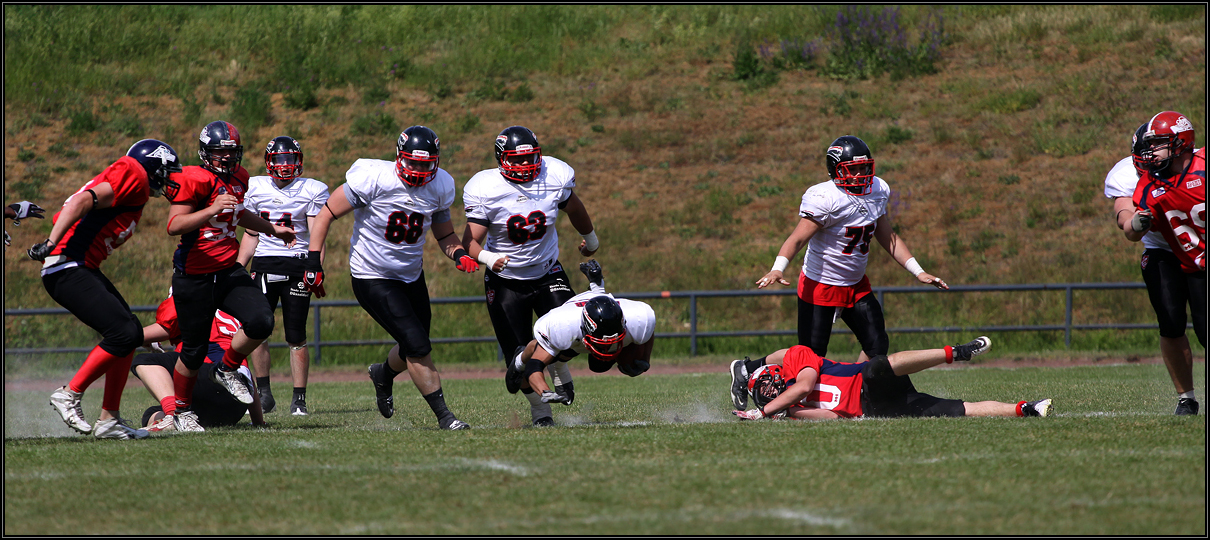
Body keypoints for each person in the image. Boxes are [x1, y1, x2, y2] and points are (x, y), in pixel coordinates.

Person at [744, 135, 947, 410]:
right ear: (835, 170)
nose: (861, 174)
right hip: (820, 286)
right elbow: (796, 239)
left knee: (877, 345)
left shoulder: (877, 189)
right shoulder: (825, 197)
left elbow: (887, 235)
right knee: (810, 359)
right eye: (853, 168)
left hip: (855, 285)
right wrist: (777, 268)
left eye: (865, 168)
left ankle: (858, 392)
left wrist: (917, 270)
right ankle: (749, 368)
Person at [306, 125, 478, 430]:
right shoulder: (373, 178)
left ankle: (383, 373)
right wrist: (314, 260)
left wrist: (459, 254)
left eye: (425, 164)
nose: (418, 169)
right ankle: (445, 418)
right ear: (399, 157)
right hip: (372, 275)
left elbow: (446, 234)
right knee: (417, 345)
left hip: (411, 276)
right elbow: (326, 214)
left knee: (416, 342)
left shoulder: (440, 186)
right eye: (412, 162)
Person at [30, 139, 182, 440]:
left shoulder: (135, 184)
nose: (168, 179)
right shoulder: (133, 173)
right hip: (67, 265)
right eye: (166, 171)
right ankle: (69, 393)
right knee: (123, 333)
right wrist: (50, 242)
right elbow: (81, 201)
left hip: (78, 265)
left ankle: (109, 420)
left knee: (131, 334)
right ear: (152, 165)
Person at [165, 120, 296, 431]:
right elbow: (175, 225)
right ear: (205, 153)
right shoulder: (192, 178)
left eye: (230, 152)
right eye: (218, 153)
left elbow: (238, 213)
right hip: (194, 275)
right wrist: (210, 210)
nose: (226, 158)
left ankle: (227, 368)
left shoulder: (240, 177)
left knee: (261, 320)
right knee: (194, 351)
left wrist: (271, 228)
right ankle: (181, 411)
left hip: (226, 268)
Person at [460, 125, 600, 404]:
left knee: (575, 330)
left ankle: (559, 366)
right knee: (519, 354)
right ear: (501, 158)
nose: (525, 165)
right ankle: (541, 413)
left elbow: (575, 208)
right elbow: (470, 241)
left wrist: (591, 240)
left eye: (530, 157)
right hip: (505, 280)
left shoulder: (554, 175)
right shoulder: (486, 188)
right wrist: (489, 258)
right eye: (517, 159)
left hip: (547, 272)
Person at [1106, 118, 1200, 416]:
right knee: (1170, 321)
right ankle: (1186, 398)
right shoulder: (1138, 179)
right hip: (1163, 249)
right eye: (1147, 147)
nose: (1151, 154)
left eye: (1157, 146)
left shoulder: (1198, 164)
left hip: (1200, 248)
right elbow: (1126, 218)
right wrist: (1133, 222)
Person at [730, 336, 1054, 421]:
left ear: (772, 372)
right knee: (954, 410)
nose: (771, 391)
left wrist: (766, 411)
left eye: (768, 385)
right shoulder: (790, 409)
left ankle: (955, 352)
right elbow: (832, 416)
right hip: (876, 409)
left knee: (879, 366)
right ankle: (1025, 408)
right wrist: (792, 412)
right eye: (765, 394)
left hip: (867, 382)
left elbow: (802, 385)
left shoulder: (796, 359)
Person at [237, 135, 331, 416]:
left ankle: (299, 399)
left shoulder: (311, 189)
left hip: (298, 265)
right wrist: (239, 267)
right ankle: (264, 393)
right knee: (257, 330)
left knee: (296, 335)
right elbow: (251, 234)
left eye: (290, 158)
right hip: (264, 264)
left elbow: (317, 235)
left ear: (299, 161)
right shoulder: (254, 188)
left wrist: (317, 267)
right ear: (269, 162)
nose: (285, 164)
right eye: (279, 159)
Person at [503, 260, 656, 426]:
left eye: (612, 341)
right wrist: (545, 392)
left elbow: (648, 331)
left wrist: (644, 360)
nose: (607, 348)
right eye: (602, 344)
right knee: (550, 349)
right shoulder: (563, 325)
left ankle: (597, 284)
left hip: (598, 306)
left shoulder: (639, 317)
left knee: (601, 365)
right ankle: (519, 360)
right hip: (571, 313)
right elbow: (535, 366)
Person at [133, 292, 265, 432]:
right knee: (151, 413)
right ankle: (177, 419)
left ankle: (173, 415)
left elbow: (160, 329)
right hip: (234, 407)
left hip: (209, 380)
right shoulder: (234, 309)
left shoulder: (193, 296)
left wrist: (123, 336)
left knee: (144, 360)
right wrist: (258, 421)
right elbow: (247, 377)